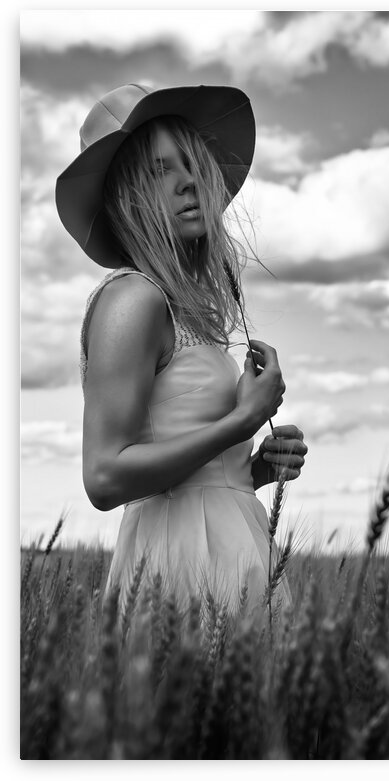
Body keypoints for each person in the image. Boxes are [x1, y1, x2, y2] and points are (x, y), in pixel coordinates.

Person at [55, 83, 308, 620]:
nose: (188, 181)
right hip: (177, 566)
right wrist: (242, 420)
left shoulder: (187, 312)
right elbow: (104, 477)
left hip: (232, 551)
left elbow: (190, 471)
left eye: (190, 163)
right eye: (158, 170)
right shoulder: (133, 298)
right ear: (125, 196)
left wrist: (252, 468)